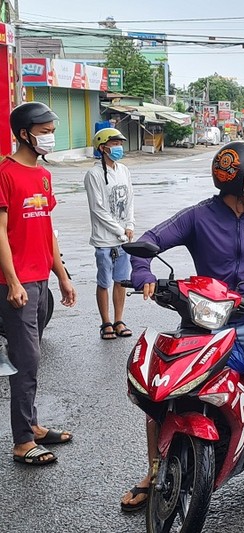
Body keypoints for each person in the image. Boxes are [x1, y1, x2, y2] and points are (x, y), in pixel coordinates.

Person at [123, 141, 244, 512]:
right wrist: (143, 272)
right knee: (164, 395)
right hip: (202, 320)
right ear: (235, 181)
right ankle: (154, 472)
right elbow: (149, 241)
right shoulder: (199, 216)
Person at [0, 102, 76, 466]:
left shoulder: (44, 176)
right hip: (14, 283)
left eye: (51, 129)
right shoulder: (5, 173)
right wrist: (12, 281)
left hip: (40, 279)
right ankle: (22, 441)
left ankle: (32, 426)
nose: (50, 135)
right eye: (44, 130)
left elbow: (46, 228)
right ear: (24, 134)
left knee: (32, 357)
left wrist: (61, 274)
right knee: (25, 358)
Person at [84, 127, 135, 340]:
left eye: (119, 144)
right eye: (114, 144)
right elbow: (98, 210)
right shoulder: (94, 174)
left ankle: (119, 319)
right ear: (103, 148)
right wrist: (119, 231)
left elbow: (130, 200)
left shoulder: (123, 170)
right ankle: (105, 322)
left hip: (124, 237)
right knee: (104, 281)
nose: (118, 148)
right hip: (105, 239)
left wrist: (130, 225)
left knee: (121, 280)